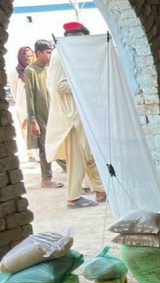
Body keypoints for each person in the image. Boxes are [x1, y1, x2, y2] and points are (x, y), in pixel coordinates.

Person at [45, 22, 105, 208]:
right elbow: (59, 86)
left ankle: (101, 190)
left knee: (89, 153)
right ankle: (73, 196)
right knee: (77, 158)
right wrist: (86, 83)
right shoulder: (60, 55)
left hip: (79, 113)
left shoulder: (68, 53)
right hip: (69, 116)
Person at [24, 40, 63, 189]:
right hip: (40, 117)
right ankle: (46, 179)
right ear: (38, 53)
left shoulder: (49, 69)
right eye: (47, 52)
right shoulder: (31, 70)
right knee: (46, 148)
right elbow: (30, 97)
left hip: (53, 114)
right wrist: (33, 120)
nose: (50, 55)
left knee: (57, 143)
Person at [10, 46, 37, 162]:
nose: (29, 58)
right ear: (21, 57)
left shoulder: (35, 69)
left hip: (36, 103)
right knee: (26, 130)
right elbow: (14, 91)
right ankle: (31, 153)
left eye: (31, 55)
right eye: (26, 56)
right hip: (22, 105)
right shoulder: (14, 73)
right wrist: (20, 104)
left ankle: (40, 151)